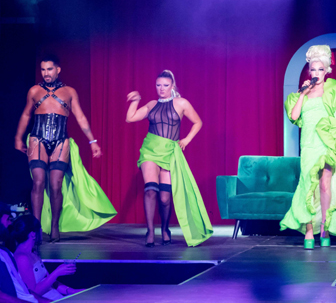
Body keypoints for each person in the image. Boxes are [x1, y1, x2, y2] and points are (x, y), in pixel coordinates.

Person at [14, 54, 116, 243]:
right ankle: (36, 229)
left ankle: (54, 226)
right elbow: (26, 115)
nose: (46, 73)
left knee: (56, 185)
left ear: (58, 69)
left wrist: (93, 142)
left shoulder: (69, 92)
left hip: (61, 141)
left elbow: (81, 117)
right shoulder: (34, 91)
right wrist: (18, 137)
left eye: (49, 69)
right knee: (38, 183)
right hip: (37, 139)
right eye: (43, 69)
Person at [280, 45, 336, 249]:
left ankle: (325, 229)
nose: (316, 73)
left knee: (326, 185)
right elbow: (294, 116)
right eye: (313, 69)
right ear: (309, 72)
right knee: (308, 187)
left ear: (326, 71)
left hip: (327, 143)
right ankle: (309, 231)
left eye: (320, 69)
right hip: (309, 145)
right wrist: (302, 94)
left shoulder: (332, 90)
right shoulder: (301, 93)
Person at [126, 70, 213, 247]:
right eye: (158, 85)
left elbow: (198, 122)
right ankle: (150, 231)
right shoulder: (151, 104)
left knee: (165, 198)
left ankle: (165, 228)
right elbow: (130, 118)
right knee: (150, 190)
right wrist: (135, 101)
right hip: (150, 150)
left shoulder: (181, 103)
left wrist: (186, 139)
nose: (161, 88)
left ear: (172, 86)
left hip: (169, 153)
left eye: (165, 85)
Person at [9, 215, 82, 300]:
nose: (42, 232)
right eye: (40, 229)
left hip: (55, 296)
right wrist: (56, 272)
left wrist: (72, 291)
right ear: (33, 234)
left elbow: (49, 281)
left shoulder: (33, 253)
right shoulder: (22, 258)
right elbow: (34, 292)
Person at [0, 202, 49, 303]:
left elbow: (24, 291)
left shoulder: (6, 253)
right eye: (8, 219)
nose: (10, 224)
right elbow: (3, 297)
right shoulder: (19, 257)